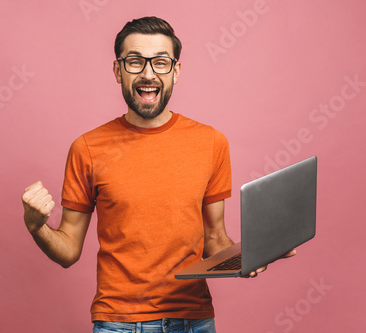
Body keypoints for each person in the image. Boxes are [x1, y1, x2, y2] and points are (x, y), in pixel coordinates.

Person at [21, 16, 295, 333]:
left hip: (194, 321)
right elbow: (68, 251)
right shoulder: (87, 148)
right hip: (119, 324)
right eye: (135, 62)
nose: (148, 73)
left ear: (175, 71)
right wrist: (36, 226)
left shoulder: (211, 143)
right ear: (117, 70)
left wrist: (246, 258)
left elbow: (215, 239)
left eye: (161, 62)